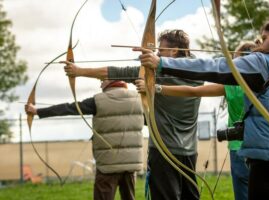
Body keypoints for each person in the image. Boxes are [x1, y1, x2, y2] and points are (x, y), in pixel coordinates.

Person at [135, 14, 269, 200]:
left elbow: (216, 67)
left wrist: (162, 63)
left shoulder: (262, 61)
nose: (260, 44)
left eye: (265, 38)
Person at [62, 29, 203, 200]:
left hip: (163, 152)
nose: (157, 53)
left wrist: (79, 71)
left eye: (161, 50)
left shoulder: (157, 75)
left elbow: (115, 72)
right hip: (190, 152)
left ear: (174, 51)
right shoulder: (198, 72)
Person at [136, 41, 256, 200]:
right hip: (264, 148)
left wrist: (155, 87)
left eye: (235, 60)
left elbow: (193, 90)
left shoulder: (232, 86)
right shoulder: (268, 82)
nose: (233, 65)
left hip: (238, 147)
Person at [25, 80, 144, 200]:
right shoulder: (139, 99)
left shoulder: (98, 100)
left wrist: (37, 111)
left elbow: (69, 108)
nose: (100, 84)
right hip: (131, 165)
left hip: (108, 165)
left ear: (110, 80)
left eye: (102, 80)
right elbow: (150, 123)